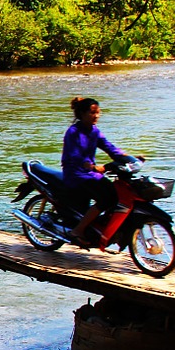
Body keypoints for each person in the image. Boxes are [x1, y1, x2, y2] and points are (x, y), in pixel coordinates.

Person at [62, 96, 135, 246]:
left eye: (98, 112)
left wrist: (127, 157)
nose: (96, 116)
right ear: (82, 114)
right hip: (76, 173)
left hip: (90, 173)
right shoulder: (73, 132)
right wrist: (92, 166)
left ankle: (101, 227)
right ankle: (78, 230)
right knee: (107, 198)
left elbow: (109, 147)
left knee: (115, 194)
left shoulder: (94, 131)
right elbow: (75, 155)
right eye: (92, 113)